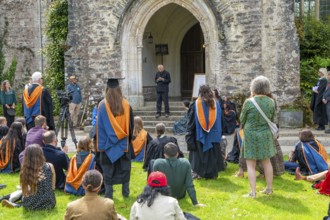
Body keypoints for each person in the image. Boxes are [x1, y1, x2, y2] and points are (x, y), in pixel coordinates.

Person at [239, 76, 277, 198]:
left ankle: (253, 192)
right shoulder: (271, 102)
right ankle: (269, 189)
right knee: (267, 162)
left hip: (250, 134)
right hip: (265, 134)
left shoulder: (249, 102)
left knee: (251, 165)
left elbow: (241, 119)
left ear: (253, 87)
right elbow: (272, 119)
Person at [97, 78, 134, 199]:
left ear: (107, 89)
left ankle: (109, 194)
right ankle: (125, 192)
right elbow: (130, 125)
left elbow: (99, 125)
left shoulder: (102, 105)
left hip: (106, 144)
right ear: (119, 89)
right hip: (122, 143)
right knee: (125, 168)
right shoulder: (126, 104)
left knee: (107, 169)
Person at [185, 84, 224, 179]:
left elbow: (191, 122)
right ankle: (212, 174)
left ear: (200, 92)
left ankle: (200, 173)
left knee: (200, 155)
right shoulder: (216, 104)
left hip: (200, 134)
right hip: (214, 134)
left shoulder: (196, 104)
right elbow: (221, 119)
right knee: (212, 155)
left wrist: (189, 132)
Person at [1, 144, 56, 210]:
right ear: (41, 154)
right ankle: (16, 204)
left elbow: (25, 193)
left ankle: (14, 203)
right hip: (50, 203)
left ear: (27, 156)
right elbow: (53, 187)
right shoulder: (50, 166)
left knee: (23, 194)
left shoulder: (26, 170)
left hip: (31, 204)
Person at [153, 143, 204, 207]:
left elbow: (153, 184)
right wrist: (195, 203)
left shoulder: (157, 163)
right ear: (177, 154)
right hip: (179, 195)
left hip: (164, 195)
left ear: (165, 155)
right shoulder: (185, 163)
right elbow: (189, 184)